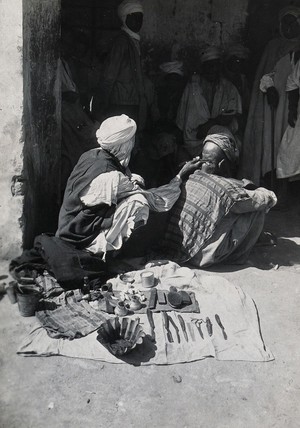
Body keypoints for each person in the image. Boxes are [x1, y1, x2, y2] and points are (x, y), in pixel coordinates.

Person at [56, 115, 201, 260]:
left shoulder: (91, 155)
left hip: (69, 224)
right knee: (139, 203)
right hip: (78, 236)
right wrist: (180, 177)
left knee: (134, 186)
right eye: (132, 141)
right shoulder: (112, 176)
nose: (134, 144)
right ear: (123, 145)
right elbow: (156, 201)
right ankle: (110, 255)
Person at [162, 128, 277, 267]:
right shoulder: (227, 190)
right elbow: (266, 199)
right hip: (201, 257)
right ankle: (239, 257)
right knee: (255, 209)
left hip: (177, 250)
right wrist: (256, 188)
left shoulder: (191, 177)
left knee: (227, 209)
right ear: (222, 164)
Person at [239, 6, 300, 185]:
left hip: (294, 102)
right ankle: (270, 179)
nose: (289, 27)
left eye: (293, 23)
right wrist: (269, 89)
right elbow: (265, 74)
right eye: (285, 23)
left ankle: (290, 184)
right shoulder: (273, 45)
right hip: (272, 102)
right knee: (271, 139)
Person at [176, 46, 242, 159]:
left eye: (215, 66)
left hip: (218, 140)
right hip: (194, 141)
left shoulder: (229, 87)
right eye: (209, 65)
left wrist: (211, 125)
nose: (212, 69)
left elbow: (233, 115)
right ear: (203, 67)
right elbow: (182, 119)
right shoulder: (193, 85)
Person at [91, 0, 146, 128]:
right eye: (134, 18)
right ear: (124, 18)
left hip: (131, 101)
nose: (138, 22)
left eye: (140, 18)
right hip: (120, 101)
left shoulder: (133, 41)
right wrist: (102, 102)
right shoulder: (121, 42)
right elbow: (109, 75)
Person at [60, 30, 99, 195]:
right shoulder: (56, 64)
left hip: (74, 110)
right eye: (71, 47)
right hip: (65, 112)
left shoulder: (67, 64)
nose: (73, 51)